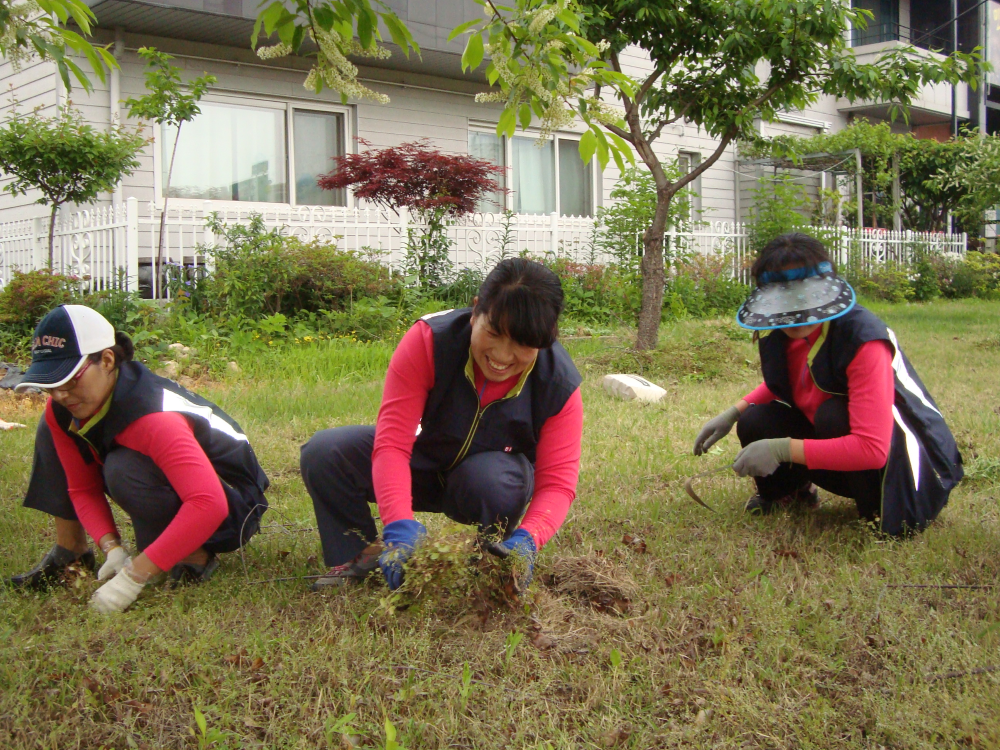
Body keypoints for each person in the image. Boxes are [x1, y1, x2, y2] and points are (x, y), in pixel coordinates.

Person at [301, 258, 583, 591]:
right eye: (493, 333)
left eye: (522, 344)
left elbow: (557, 483)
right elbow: (392, 444)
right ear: (476, 310)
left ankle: (494, 559)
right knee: (326, 452)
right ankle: (363, 557)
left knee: (499, 480)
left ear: (545, 338)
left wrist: (529, 539)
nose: (503, 356)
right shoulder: (429, 340)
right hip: (423, 461)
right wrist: (399, 525)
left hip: (487, 482)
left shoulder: (558, 383)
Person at [693, 233, 963, 535]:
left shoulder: (863, 338)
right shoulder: (779, 333)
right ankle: (790, 494)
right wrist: (733, 413)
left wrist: (782, 449)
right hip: (839, 453)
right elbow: (789, 382)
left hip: (903, 467)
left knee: (833, 414)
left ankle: (876, 511)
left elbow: (872, 449)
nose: (795, 315)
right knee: (757, 418)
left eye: (806, 298)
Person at [9, 304, 269, 612]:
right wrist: (112, 548)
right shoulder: (64, 408)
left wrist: (133, 577)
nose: (61, 394)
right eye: (50, 385)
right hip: (189, 489)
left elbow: (208, 503)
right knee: (53, 426)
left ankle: (194, 556)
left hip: (232, 507)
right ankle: (82, 552)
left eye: (69, 380)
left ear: (107, 360)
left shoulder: (154, 418)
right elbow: (81, 488)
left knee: (123, 468)